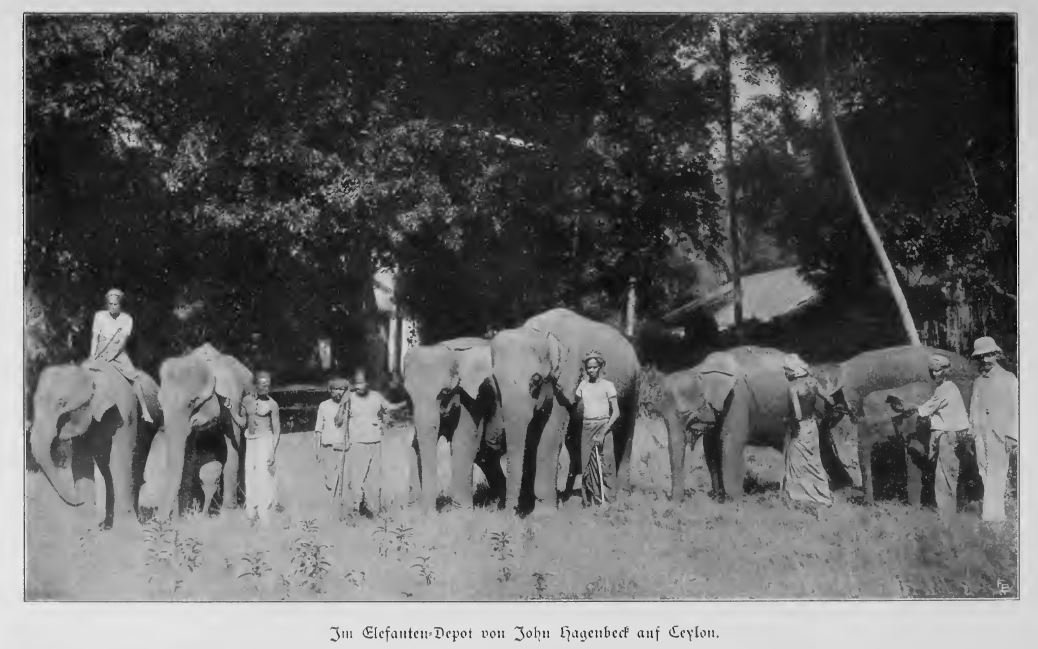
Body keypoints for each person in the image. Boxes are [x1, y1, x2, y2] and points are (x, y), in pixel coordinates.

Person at [888, 353, 971, 520]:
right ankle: (949, 517)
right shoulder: (949, 387)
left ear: (947, 371)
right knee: (946, 477)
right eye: (932, 371)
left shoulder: (945, 389)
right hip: (950, 436)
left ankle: (948, 520)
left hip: (948, 437)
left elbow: (924, 410)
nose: (934, 374)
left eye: (938, 371)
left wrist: (903, 407)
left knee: (945, 480)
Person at [334, 368, 406, 519]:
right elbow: (338, 422)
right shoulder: (349, 398)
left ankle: (373, 509)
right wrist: (341, 405)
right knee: (357, 478)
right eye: (358, 382)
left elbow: (389, 410)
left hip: (375, 442)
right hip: (357, 443)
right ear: (354, 383)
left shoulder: (376, 396)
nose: (361, 385)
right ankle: (355, 510)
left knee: (374, 478)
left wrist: (393, 413)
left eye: (363, 381)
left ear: (368, 383)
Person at [969, 337, 1019, 523]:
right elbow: (973, 408)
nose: (985, 360)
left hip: (1000, 434)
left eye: (989, 355)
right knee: (984, 471)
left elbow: (1016, 409)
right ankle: (992, 513)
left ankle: (994, 516)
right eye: (981, 356)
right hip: (980, 434)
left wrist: (1013, 436)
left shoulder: (1009, 379)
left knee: (997, 472)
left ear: (996, 354)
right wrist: (972, 430)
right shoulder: (978, 382)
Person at [90, 288, 153, 423]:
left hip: (117, 353)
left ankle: (145, 411)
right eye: (110, 304)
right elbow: (95, 337)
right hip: (101, 349)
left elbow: (121, 342)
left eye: (116, 304)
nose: (113, 307)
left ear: (120, 305)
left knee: (134, 379)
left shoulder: (126, 319)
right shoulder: (99, 316)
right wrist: (93, 355)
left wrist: (110, 357)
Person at [781, 354, 836, 508]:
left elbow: (797, 415)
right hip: (812, 426)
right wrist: (825, 416)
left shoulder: (793, 388)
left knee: (796, 463)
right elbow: (830, 400)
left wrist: (786, 420)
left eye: (787, 370)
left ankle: (799, 496)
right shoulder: (813, 382)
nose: (785, 373)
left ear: (794, 371)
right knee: (814, 462)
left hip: (799, 429)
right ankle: (822, 495)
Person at [574, 350, 619, 508]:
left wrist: (603, 432)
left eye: (594, 367)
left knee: (606, 464)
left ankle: (608, 501)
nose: (591, 370)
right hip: (587, 427)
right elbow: (579, 407)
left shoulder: (608, 386)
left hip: (604, 426)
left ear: (600, 367)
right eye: (588, 368)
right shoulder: (582, 386)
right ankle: (591, 501)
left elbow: (616, 413)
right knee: (587, 464)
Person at [243, 371, 281, 523]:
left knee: (264, 475)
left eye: (268, 385)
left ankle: (264, 512)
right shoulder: (247, 400)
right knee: (249, 474)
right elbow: (240, 419)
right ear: (256, 385)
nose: (265, 388)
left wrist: (272, 451)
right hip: (250, 440)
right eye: (262, 385)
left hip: (265, 441)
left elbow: (277, 430)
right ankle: (251, 512)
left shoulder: (272, 404)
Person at [314, 377, 350, 510]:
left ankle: (340, 507)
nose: (339, 392)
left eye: (342, 389)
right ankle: (329, 503)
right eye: (336, 389)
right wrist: (317, 449)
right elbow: (318, 429)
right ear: (330, 390)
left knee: (343, 478)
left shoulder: (348, 405)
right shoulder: (324, 405)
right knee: (329, 479)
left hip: (343, 447)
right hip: (327, 446)